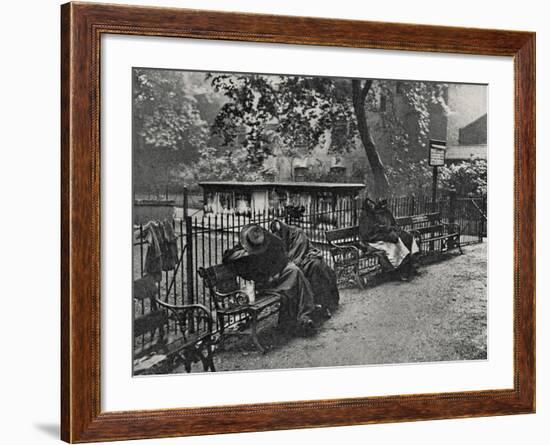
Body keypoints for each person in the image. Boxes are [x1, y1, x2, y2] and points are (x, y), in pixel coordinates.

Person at [222, 224, 317, 335]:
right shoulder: (242, 248)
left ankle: (303, 316)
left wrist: (277, 271)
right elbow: (227, 258)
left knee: (295, 271)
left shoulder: (269, 239)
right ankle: (304, 316)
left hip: (277, 277)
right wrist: (244, 253)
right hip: (263, 285)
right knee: (295, 280)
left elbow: (282, 256)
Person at [270, 219, 339, 317]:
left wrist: (288, 262)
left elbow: (298, 253)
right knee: (297, 275)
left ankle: (324, 305)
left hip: (305, 258)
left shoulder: (297, 232)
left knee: (316, 266)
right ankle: (307, 309)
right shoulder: (278, 239)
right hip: (296, 264)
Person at [358, 198, 419, 280]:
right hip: (370, 242)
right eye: (370, 205)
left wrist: (386, 231)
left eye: (372, 204)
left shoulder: (374, 214)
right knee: (393, 246)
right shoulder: (365, 216)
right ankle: (399, 269)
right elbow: (367, 235)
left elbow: (386, 225)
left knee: (401, 241)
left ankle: (405, 268)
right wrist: (384, 234)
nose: (372, 206)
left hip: (379, 238)